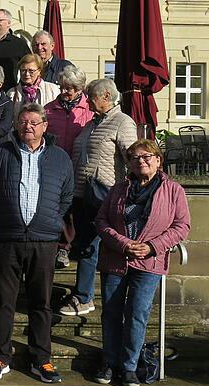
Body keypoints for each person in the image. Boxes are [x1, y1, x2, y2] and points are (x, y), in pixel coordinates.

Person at [0, 103, 73, 384]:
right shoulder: (0, 154)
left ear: (45, 126)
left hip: (43, 241)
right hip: (8, 238)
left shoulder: (60, 158)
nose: (28, 126)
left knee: (41, 303)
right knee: (3, 302)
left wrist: (53, 222)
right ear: (16, 125)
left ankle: (41, 358)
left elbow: (66, 197)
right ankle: (0, 355)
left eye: (34, 122)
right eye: (23, 122)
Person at [94, 140, 190, 386]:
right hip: (116, 258)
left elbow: (181, 226)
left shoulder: (173, 190)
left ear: (159, 160)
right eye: (134, 158)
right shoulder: (118, 189)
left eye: (147, 156)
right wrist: (124, 243)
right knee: (112, 312)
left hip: (150, 261)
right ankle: (108, 361)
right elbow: (102, 220)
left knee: (137, 314)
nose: (141, 161)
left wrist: (151, 246)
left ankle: (129, 366)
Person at [58, 78, 137, 316]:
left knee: (91, 247)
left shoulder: (122, 122)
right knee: (86, 245)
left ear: (106, 97)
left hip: (104, 197)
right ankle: (84, 295)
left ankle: (84, 297)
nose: (88, 100)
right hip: (82, 196)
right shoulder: (93, 123)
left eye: (91, 96)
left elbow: (132, 158)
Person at [44, 66, 94, 268]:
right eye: (63, 87)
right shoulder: (48, 109)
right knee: (55, 207)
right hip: (53, 166)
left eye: (71, 88)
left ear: (81, 88)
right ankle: (58, 247)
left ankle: (69, 247)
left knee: (73, 209)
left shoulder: (89, 110)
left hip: (78, 166)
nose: (66, 92)